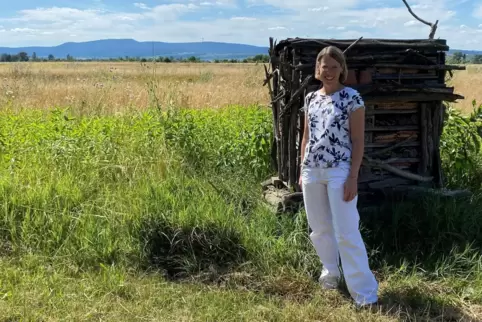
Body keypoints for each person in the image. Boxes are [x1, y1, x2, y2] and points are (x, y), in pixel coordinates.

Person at [299, 45, 379, 308]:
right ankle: (331, 272)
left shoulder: (352, 98)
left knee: (346, 230)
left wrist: (353, 177)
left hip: (339, 170)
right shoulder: (311, 98)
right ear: (317, 69)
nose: (329, 71)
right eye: (325, 66)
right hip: (312, 170)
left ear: (342, 70)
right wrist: (302, 168)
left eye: (335, 67)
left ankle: (364, 293)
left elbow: (357, 140)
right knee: (320, 228)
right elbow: (306, 136)